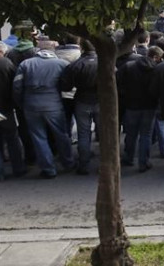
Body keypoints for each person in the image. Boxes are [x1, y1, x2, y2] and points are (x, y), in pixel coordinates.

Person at [12, 44, 74, 178]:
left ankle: (48, 169)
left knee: (38, 137)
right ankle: (68, 162)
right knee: (61, 134)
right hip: (54, 105)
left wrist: (21, 103)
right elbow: (68, 85)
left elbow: (17, 87)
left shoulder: (26, 64)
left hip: (31, 105)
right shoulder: (62, 63)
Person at [117, 46, 162, 173]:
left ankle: (129, 157)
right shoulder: (155, 69)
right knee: (145, 134)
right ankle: (144, 162)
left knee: (131, 134)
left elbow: (118, 83)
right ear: (156, 57)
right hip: (149, 106)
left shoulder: (128, 66)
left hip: (131, 105)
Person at [60, 39, 99, 175]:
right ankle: (105, 164)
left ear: (81, 48)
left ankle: (84, 164)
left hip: (82, 101)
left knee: (84, 134)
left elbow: (66, 86)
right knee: (105, 135)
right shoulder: (105, 63)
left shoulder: (75, 65)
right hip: (101, 101)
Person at [0, 41, 26, 179]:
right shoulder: (7, 63)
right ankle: (18, 169)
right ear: (1, 51)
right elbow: (15, 85)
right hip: (6, 108)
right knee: (12, 139)